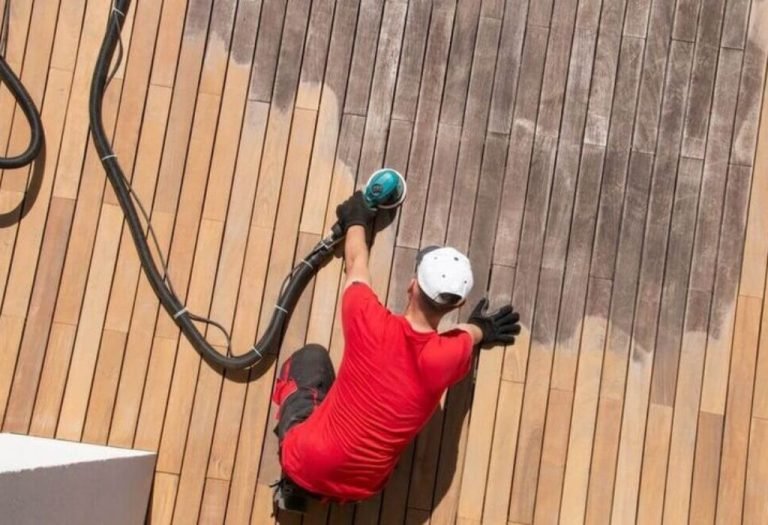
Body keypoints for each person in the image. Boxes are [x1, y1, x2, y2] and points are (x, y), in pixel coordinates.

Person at [271, 191, 521, 512]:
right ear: (457, 304)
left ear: (411, 285)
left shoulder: (367, 321)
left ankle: (293, 488)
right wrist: (483, 329)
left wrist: (356, 217)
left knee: (312, 359)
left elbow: (355, 263)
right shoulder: (452, 354)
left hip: (305, 464)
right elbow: (469, 336)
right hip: (364, 487)